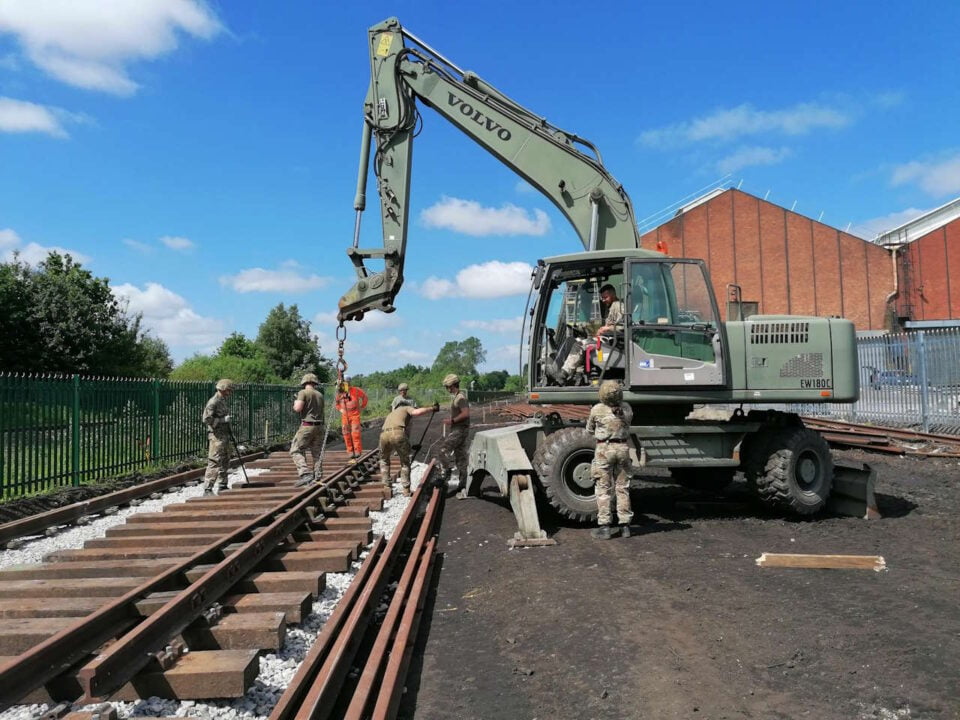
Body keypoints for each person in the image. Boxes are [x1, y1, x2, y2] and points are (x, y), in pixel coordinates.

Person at [586, 380, 634, 539]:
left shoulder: (597, 409)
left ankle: (605, 527)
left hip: (604, 451)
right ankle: (625, 526)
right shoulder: (627, 408)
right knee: (622, 488)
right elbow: (628, 422)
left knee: (603, 488)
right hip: (622, 449)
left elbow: (589, 429)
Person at [559, 283, 625, 384]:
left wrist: (606, 329)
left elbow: (624, 326)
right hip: (607, 339)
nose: (603, 300)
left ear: (613, 294)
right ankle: (577, 374)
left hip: (612, 342)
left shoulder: (619, 306)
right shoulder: (611, 307)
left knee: (580, 345)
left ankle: (563, 374)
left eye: (605, 297)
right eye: (602, 298)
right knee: (577, 341)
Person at [378, 400, 439, 495]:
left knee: (384, 461)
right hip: (397, 433)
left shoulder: (392, 414)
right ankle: (406, 490)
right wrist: (432, 408)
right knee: (405, 462)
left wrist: (409, 446)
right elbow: (417, 412)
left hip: (383, 435)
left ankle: (387, 487)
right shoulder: (405, 408)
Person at [291, 373, 326, 486]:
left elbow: (298, 408)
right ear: (315, 383)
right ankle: (317, 475)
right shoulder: (320, 394)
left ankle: (305, 474)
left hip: (307, 425)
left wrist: (295, 402)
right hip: (319, 426)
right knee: (317, 452)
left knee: (295, 449)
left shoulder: (303, 393)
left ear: (304, 382)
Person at [202, 378, 234, 495]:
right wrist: (221, 420)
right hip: (216, 436)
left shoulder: (222, 400)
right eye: (229, 390)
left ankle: (222, 484)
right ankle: (208, 488)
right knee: (214, 461)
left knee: (225, 459)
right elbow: (206, 419)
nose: (230, 392)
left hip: (224, 435)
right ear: (224, 389)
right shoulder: (213, 402)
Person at [438, 373, 470, 489]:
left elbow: (466, 413)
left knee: (443, 451)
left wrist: (452, 421)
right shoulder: (457, 397)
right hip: (459, 429)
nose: (447, 389)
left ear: (451, 386)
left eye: (447, 387)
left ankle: (446, 472)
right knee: (461, 458)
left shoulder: (460, 397)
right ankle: (463, 484)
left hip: (459, 430)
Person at [335, 377, 368, 462]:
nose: (347, 384)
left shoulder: (356, 390)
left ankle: (357, 450)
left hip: (355, 415)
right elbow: (336, 403)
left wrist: (362, 407)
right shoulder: (340, 392)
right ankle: (350, 451)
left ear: (350, 382)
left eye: (348, 382)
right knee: (346, 433)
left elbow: (364, 397)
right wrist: (340, 409)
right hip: (345, 415)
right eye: (345, 382)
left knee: (355, 432)